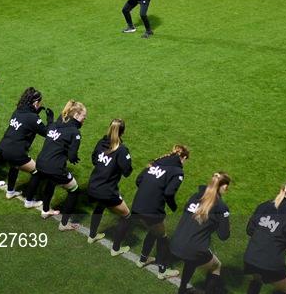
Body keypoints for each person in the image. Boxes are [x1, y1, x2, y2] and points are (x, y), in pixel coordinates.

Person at [170, 172, 231, 294]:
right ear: (224, 186)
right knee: (216, 267)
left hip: (175, 243)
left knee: (190, 260)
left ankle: (181, 291)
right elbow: (224, 235)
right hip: (193, 248)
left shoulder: (194, 196)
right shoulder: (221, 207)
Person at [23, 100, 86, 231]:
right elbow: (72, 155)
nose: (84, 119)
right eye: (83, 116)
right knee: (74, 189)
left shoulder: (55, 125)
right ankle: (64, 224)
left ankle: (45, 210)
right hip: (55, 167)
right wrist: (72, 157)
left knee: (51, 182)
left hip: (40, 163)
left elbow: (51, 132)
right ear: (76, 116)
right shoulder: (75, 132)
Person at [129, 145, 189, 272]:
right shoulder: (177, 171)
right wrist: (174, 207)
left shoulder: (156, 163)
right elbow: (169, 193)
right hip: (151, 210)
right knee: (163, 237)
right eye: (185, 160)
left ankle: (143, 260)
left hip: (137, 206)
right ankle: (163, 270)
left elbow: (139, 180)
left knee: (153, 231)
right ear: (183, 157)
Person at [0, 87, 54, 199]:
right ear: (36, 102)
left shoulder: (17, 111)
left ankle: (10, 192)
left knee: (15, 166)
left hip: (3, 148)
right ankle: (29, 201)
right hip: (16, 152)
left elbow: (25, 122)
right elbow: (48, 133)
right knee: (38, 172)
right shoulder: (32, 118)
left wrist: (35, 112)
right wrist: (50, 120)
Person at [86, 119, 133, 255]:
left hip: (93, 186)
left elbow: (94, 159)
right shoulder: (122, 150)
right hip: (106, 190)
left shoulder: (101, 143)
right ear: (122, 132)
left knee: (100, 206)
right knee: (127, 216)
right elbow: (127, 171)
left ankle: (92, 235)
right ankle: (116, 249)